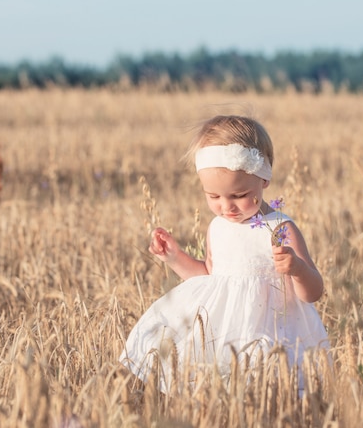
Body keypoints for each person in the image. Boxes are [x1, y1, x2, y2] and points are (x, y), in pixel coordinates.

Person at [119, 115, 329, 393]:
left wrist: (298, 269)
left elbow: (313, 292)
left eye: (239, 194)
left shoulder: (280, 228)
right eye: (214, 197)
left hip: (270, 330)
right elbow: (209, 275)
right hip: (222, 331)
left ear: (264, 179)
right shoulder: (217, 227)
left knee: (267, 389)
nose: (227, 206)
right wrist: (174, 257)